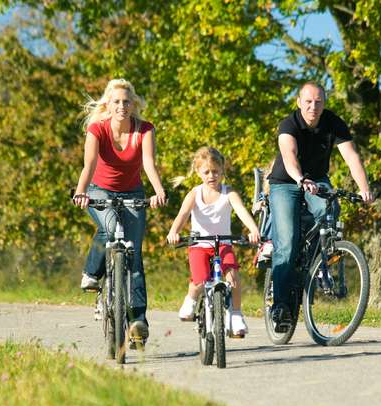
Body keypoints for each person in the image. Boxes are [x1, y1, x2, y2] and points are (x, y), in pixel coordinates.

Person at [267, 82, 373, 330]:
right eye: (308, 101)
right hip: (286, 182)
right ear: (298, 102)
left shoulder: (334, 122)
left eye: (318, 102)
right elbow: (289, 156)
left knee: (331, 210)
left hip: (317, 180)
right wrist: (300, 179)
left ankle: (318, 260)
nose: (313, 107)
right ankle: (281, 307)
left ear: (324, 103)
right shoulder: (289, 124)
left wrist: (364, 188)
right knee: (287, 242)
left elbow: (351, 156)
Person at [72, 78, 166, 345]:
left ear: (133, 104)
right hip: (99, 190)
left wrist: (158, 191)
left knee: (134, 256)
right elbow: (89, 164)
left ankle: (138, 321)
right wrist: (81, 192)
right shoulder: (97, 129)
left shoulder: (144, 130)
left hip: (133, 193)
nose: (122, 106)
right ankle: (92, 272)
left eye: (126, 101)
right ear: (108, 104)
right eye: (116, 102)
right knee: (109, 228)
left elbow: (148, 163)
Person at [166, 147, 260, 337]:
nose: (211, 176)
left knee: (232, 276)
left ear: (222, 171)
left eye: (216, 171)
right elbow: (182, 215)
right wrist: (174, 231)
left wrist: (253, 229)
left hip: (223, 244)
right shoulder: (194, 193)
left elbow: (241, 211)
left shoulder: (228, 193)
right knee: (199, 280)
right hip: (200, 245)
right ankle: (191, 300)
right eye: (206, 172)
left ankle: (235, 314)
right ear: (198, 172)